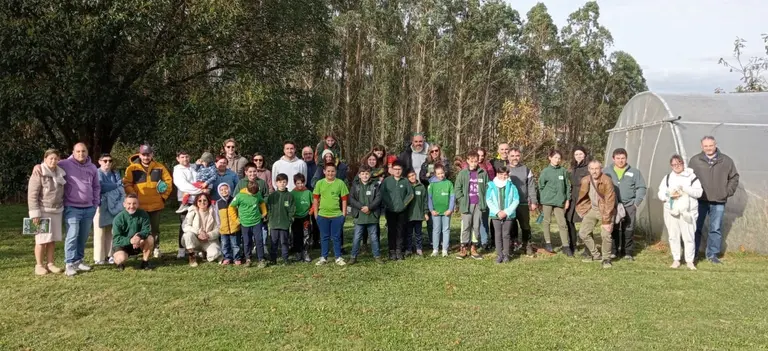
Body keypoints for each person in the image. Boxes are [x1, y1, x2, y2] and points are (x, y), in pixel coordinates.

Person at [688, 136, 739, 264]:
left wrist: (726, 192)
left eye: (711, 145)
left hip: (718, 200)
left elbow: (734, 177)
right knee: (695, 227)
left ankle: (712, 255)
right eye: (705, 146)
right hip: (700, 200)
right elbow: (688, 178)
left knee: (715, 228)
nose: (708, 148)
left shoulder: (726, 161)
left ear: (715, 145)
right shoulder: (695, 161)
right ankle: (692, 254)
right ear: (702, 146)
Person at [123, 144, 173, 258]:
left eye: (148, 154)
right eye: (144, 155)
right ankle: (136, 249)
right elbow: (127, 183)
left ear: (152, 155)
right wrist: (134, 198)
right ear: (139, 155)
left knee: (155, 229)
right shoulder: (132, 168)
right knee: (136, 228)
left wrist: (163, 197)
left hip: (156, 204)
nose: (146, 157)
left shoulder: (160, 167)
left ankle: (155, 248)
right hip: (139, 206)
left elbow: (168, 182)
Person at [58, 142, 100, 276]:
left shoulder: (92, 167)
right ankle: (69, 264)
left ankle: (78, 261)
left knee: (83, 236)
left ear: (87, 152)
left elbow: (96, 186)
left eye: (83, 151)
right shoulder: (65, 164)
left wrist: (95, 204)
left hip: (89, 208)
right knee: (72, 235)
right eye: (78, 151)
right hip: (72, 207)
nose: (81, 154)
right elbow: (49, 164)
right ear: (73, 152)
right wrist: (38, 166)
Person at [658, 155, 703, 270]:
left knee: (689, 236)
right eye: (674, 165)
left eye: (679, 164)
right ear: (671, 166)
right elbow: (661, 193)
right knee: (673, 236)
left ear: (683, 164)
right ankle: (676, 259)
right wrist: (669, 196)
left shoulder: (691, 177)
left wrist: (685, 189)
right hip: (672, 211)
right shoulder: (667, 178)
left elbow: (699, 193)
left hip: (687, 211)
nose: (677, 166)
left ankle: (690, 261)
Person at [27, 149, 67, 275]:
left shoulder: (60, 172)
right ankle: (39, 265)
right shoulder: (38, 172)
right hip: (42, 210)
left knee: (52, 239)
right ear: (45, 159)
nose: (53, 161)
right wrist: (35, 214)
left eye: (55, 158)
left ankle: (50, 264)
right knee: (41, 240)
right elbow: (32, 195)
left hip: (57, 210)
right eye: (51, 158)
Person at [603, 148, 647, 261]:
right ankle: (614, 251)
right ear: (613, 158)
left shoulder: (635, 172)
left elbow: (641, 187)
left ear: (626, 158)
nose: (620, 161)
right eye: (618, 158)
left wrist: (636, 203)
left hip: (629, 205)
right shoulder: (606, 171)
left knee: (628, 228)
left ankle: (627, 252)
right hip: (613, 205)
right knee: (614, 227)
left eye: (623, 158)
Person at [576, 160, 616, 269]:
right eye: (592, 169)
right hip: (592, 209)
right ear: (589, 170)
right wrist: (584, 209)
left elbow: (610, 201)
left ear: (601, 169)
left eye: (597, 168)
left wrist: (606, 221)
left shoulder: (607, 181)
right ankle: (596, 255)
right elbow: (583, 196)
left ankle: (606, 258)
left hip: (605, 210)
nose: (594, 171)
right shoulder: (585, 180)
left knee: (606, 234)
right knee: (583, 233)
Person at [313, 163, 350, 266]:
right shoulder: (319, 183)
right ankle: (323, 257)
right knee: (324, 237)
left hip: (337, 215)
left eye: (332, 171)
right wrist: (316, 214)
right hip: (322, 215)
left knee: (336, 237)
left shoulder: (340, 183)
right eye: (328, 171)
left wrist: (343, 214)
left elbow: (344, 199)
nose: (330, 173)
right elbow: (315, 199)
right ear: (324, 171)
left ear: (336, 172)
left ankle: (338, 257)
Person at [454, 150, 489, 260]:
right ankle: (464, 247)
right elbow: (457, 188)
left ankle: (474, 247)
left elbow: (487, 187)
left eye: (475, 161)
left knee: (476, 226)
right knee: (466, 226)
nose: (474, 164)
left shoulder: (483, 173)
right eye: (471, 161)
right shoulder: (463, 173)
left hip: (478, 204)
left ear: (478, 161)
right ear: (468, 161)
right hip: (467, 204)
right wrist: (461, 200)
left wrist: (484, 200)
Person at [172, 150, 206, 258]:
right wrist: (200, 190)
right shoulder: (177, 170)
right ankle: (181, 250)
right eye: (182, 157)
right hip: (185, 200)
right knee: (185, 224)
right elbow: (183, 186)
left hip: (198, 199)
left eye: (186, 156)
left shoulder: (194, 166)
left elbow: (202, 177)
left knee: (200, 223)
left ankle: (198, 248)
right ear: (178, 159)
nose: (185, 159)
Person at [538, 149, 571, 256]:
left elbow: (567, 186)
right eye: (555, 157)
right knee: (547, 221)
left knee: (562, 223)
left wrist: (567, 199)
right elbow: (541, 186)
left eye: (559, 158)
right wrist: (543, 198)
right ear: (550, 158)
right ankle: (548, 243)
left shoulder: (563, 171)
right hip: (547, 201)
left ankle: (566, 246)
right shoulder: (545, 171)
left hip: (559, 201)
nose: (557, 160)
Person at [348, 165, 384, 264]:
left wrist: (369, 207)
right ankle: (353, 257)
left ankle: (377, 256)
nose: (365, 176)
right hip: (359, 216)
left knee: (374, 237)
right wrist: (361, 207)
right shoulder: (355, 186)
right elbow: (351, 199)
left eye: (367, 173)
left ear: (370, 174)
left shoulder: (375, 185)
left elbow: (378, 198)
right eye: (363, 174)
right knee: (357, 238)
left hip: (372, 216)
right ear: (359, 175)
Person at [93, 153, 124, 265]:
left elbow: (122, 186)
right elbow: (100, 187)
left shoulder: (115, 173)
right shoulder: (97, 172)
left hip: (114, 204)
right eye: (105, 160)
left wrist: (116, 185)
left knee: (112, 230)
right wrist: (116, 185)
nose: (108, 163)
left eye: (110, 161)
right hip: (100, 204)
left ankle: (110, 255)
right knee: (99, 231)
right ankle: (99, 257)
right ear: (99, 161)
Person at [380, 160, 414, 260]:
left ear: (402, 170)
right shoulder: (387, 181)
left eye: (399, 169)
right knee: (391, 231)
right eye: (395, 169)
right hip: (390, 210)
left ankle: (399, 251)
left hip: (402, 211)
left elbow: (410, 194)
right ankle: (392, 251)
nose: (397, 171)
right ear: (392, 170)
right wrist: (389, 204)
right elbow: (382, 193)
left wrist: (404, 204)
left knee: (400, 231)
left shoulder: (405, 181)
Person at [111, 194, 155, 271]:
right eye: (129, 204)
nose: (131, 206)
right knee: (121, 259)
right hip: (123, 245)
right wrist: (130, 240)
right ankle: (119, 262)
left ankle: (145, 262)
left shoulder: (143, 214)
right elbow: (116, 239)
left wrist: (139, 236)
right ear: (124, 204)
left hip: (139, 242)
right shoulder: (118, 219)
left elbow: (147, 230)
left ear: (138, 204)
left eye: (134, 203)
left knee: (150, 238)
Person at [508, 147, 538, 256]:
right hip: (509, 204)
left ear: (520, 156)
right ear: (508, 157)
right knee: (510, 225)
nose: (515, 158)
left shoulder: (526, 169)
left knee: (525, 226)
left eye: (517, 156)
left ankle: (527, 244)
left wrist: (533, 201)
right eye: (512, 156)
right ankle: (512, 245)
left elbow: (531, 186)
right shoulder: (504, 170)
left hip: (523, 202)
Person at [486, 166, 520, 263]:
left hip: (508, 215)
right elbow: (488, 200)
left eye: (505, 175)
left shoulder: (512, 186)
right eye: (501, 174)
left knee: (506, 234)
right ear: (497, 174)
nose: (503, 176)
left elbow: (516, 200)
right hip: (495, 215)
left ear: (508, 175)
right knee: (497, 235)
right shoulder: (491, 186)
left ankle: (506, 255)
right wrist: (497, 212)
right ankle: (499, 255)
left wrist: (506, 212)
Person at [230, 180, 268, 267]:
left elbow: (262, 202)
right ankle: (248, 259)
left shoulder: (257, 194)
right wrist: (236, 220)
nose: (254, 195)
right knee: (247, 242)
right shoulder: (239, 196)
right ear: (247, 189)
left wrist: (264, 212)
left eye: (255, 194)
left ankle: (261, 259)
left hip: (257, 222)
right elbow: (231, 207)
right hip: (245, 223)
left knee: (259, 240)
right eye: (252, 194)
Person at [182, 193, 222, 267]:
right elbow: (185, 226)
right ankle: (192, 256)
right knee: (188, 234)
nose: (202, 202)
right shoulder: (192, 211)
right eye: (199, 201)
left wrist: (208, 235)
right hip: (195, 240)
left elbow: (218, 229)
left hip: (208, 240)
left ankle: (205, 253)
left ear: (208, 201)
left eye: (204, 200)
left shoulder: (214, 211)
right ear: (196, 202)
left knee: (215, 254)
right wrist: (198, 232)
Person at [567, 146, 590, 257]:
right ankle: (572, 244)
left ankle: (588, 248)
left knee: (587, 222)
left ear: (585, 154)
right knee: (569, 219)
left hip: (584, 196)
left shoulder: (589, 167)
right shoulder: (572, 167)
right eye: (576, 154)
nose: (578, 156)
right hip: (573, 196)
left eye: (580, 154)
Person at [267, 174, 295, 265]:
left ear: (287, 183)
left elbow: (292, 209)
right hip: (274, 224)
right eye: (280, 182)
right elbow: (269, 208)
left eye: (284, 182)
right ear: (276, 183)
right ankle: (273, 259)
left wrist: (289, 219)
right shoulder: (272, 196)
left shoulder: (289, 196)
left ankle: (285, 259)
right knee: (273, 242)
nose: (282, 184)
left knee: (284, 242)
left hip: (284, 224)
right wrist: (269, 218)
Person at [427, 164, 454, 257]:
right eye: (438, 174)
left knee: (446, 230)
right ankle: (435, 249)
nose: (441, 175)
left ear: (444, 172)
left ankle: (444, 249)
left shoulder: (449, 183)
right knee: (436, 230)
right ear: (435, 174)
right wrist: (431, 210)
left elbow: (452, 197)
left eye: (442, 173)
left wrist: (450, 209)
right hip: (436, 212)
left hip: (446, 212)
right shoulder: (432, 185)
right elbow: (429, 198)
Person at [405, 169, 429, 257]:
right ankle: (408, 249)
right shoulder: (407, 187)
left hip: (419, 215)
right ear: (407, 178)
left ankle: (419, 249)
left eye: (413, 175)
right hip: (409, 215)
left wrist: (425, 212)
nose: (412, 177)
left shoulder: (421, 187)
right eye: (409, 176)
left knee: (418, 233)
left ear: (416, 175)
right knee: (409, 234)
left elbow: (425, 201)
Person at [216, 183, 241, 265]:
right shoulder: (218, 203)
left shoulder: (234, 200)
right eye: (221, 190)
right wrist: (219, 225)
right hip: (223, 228)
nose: (224, 191)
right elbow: (217, 215)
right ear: (219, 191)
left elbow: (238, 212)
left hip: (234, 227)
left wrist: (238, 222)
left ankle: (236, 258)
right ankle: (227, 258)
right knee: (225, 244)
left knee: (235, 244)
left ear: (229, 189)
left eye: (226, 189)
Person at [290, 173, 314, 262]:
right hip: (296, 218)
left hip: (306, 217)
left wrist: (311, 211)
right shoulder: (292, 193)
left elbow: (314, 203)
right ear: (295, 183)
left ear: (305, 182)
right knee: (296, 235)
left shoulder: (308, 192)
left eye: (302, 183)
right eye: (298, 183)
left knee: (306, 235)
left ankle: (306, 252)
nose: (300, 185)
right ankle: (298, 252)